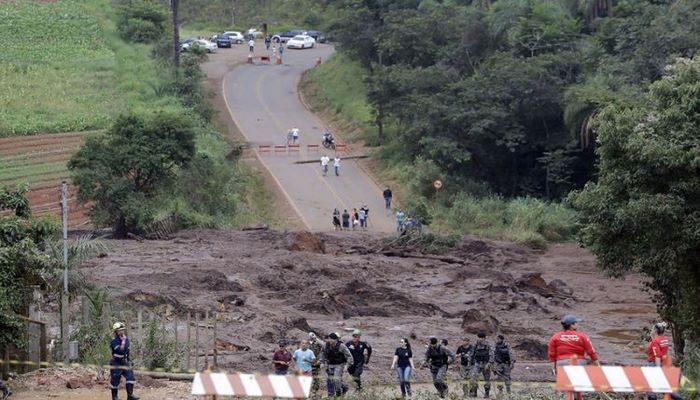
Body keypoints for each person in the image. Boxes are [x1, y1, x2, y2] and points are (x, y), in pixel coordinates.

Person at [548, 315, 600, 400]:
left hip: (562, 363)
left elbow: (551, 354)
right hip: (578, 363)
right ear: (572, 325)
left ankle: (567, 396)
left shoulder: (555, 337)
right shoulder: (582, 336)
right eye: (576, 323)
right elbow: (591, 352)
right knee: (577, 384)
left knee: (566, 387)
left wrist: (554, 368)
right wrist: (598, 366)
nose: (577, 324)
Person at [646, 323, 682, 400]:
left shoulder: (655, 342)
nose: (651, 330)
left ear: (655, 331)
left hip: (654, 364)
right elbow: (660, 347)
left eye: (652, 329)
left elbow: (657, 356)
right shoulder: (665, 339)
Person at [109, 322, 139, 400]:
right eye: (120, 330)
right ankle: (115, 397)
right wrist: (123, 342)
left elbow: (127, 350)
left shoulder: (126, 339)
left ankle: (130, 395)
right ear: (116, 332)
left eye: (122, 330)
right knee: (115, 380)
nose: (122, 332)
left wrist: (129, 360)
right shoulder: (114, 341)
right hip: (116, 362)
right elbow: (120, 350)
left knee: (130, 377)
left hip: (125, 362)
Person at [319, 332, 354, 397]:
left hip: (339, 365)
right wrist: (322, 362)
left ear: (336, 339)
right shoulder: (326, 345)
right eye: (329, 338)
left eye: (331, 339)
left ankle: (338, 394)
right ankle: (344, 387)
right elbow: (322, 353)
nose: (330, 340)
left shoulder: (341, 346)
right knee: (332, 379)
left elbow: (349, 356)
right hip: (330, 364)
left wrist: (347, 366)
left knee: (336, 379)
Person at [469, 331, 494, 398]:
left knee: (486, 379)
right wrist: (471, 362)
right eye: (478, 337)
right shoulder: (476, 344)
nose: (479, 339)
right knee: (473, 377)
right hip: (477, 363)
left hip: (486, 364)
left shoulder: (488, 345)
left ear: (484, 338)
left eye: (481, 338)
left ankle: (487, 393)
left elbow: (492, 355)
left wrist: (489, 363)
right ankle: (474, 392)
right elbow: (472, 354)